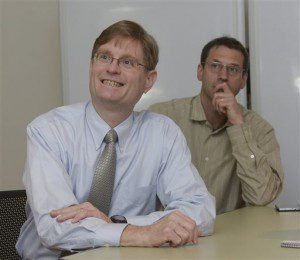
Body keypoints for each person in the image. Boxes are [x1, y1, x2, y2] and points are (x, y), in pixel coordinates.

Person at [16, 20, 215, 259]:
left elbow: (201, 211)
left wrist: (118, 222)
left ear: (149, 80)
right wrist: (141, 233)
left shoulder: (162, 133)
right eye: (104, 57)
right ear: (91, 66)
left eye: (128, 62)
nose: (112, 68)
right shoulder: (48, 130)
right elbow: (56, 227)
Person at [149, 36, 284, 214]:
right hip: (166, 234)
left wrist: (238, 125)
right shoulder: (162, 116)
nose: (223, 76)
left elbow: (262, 197)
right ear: (200, 71)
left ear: (244, 80)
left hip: (230, 237)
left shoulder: (260, 129)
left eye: (233, 69)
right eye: (215, 66)